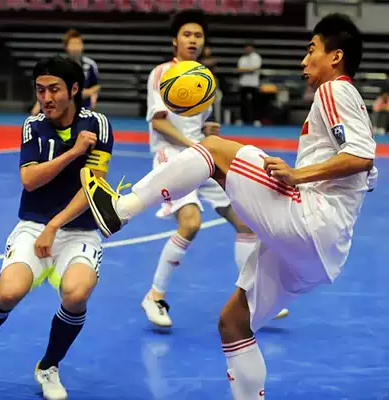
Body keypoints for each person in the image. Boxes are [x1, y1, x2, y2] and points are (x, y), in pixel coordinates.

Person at [81, 13, 377, 398]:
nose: (304, 60)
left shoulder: (334, 90)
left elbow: (361, 157)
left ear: (335, 57)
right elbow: (366, 172)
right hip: (321, 255)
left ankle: (121, 208)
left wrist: (297, 175)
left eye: (312, 50)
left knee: (215, 150)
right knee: (234, 323)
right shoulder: (345, 100)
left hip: (311, 221)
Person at [142, 9, 287, 328]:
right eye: (187, 34)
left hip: (202, 154)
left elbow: (198, 120)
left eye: (198, 35)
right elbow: (158, 122)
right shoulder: (162, 73)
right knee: (190, 223)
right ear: (175, 40)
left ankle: (253, 297)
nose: (192, 40)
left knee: (246, 223)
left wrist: (207, 131)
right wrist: (192, 143)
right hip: (172, 155)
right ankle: (154, 296)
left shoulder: (204, 77)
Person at [0, 56, 113, 400]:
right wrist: (73, 153)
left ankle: (48, 366)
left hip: (79, 231)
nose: (46, 98)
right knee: (8, 293)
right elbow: (29, 180)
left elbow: (93, 185)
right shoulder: (33, 126)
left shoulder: (99, 124)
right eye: (40, 90)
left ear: (73, 90)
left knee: (77, 293)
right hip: (33, 226)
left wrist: (56, 225)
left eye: (54, 89)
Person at [31, 29, 101, 115]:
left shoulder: (90, 64)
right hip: (62, 108)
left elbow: (96, 86)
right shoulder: (59, 65)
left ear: (82, 46)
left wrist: (87, 93)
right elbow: (48, 86)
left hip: (85, 108)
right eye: (72, 44)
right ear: (66, 47)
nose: (75, 48)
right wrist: (38, 104)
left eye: (78, 44)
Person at [237, 44, 263, 126]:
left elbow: (254, 69)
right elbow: (239, 70)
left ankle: (256, 119)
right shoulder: (242, 58)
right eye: (246, 48)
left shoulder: (256, 57)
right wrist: (249, 70)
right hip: (243, 83)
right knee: (243, 102)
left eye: (249, 48)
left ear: (252, 48)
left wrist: (245, 70)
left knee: (255, 103)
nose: (248, 49)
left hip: (254, 84)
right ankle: (242, 119)